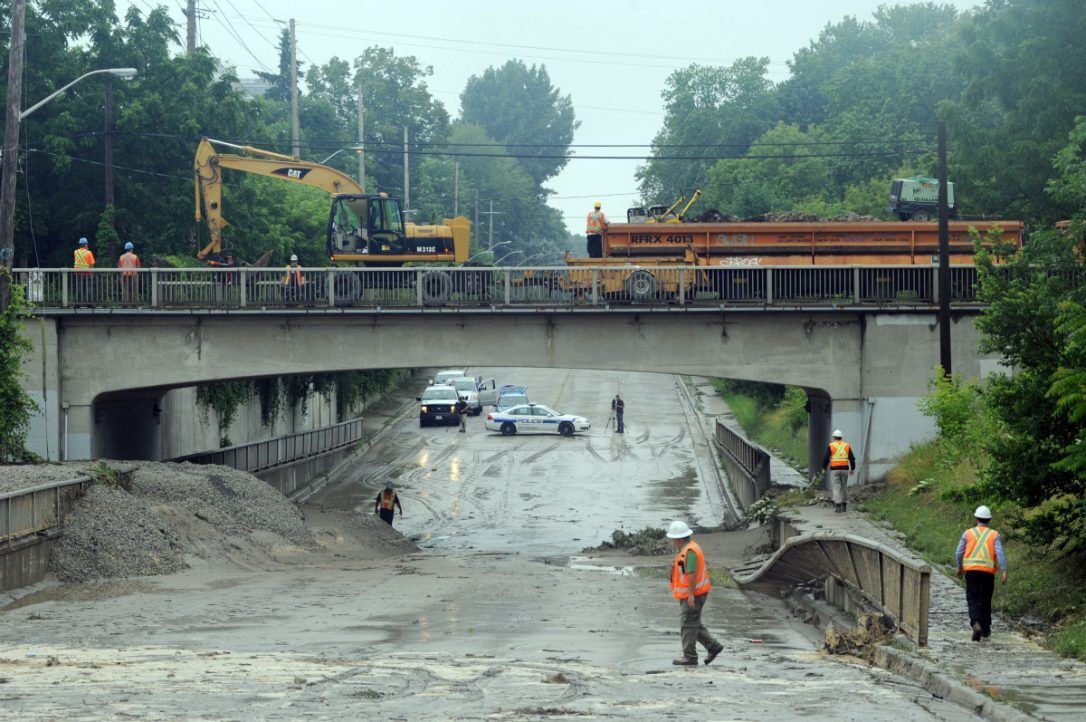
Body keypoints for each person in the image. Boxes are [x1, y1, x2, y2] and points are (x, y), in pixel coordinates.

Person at [667, 520, 724, 666]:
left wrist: (690, 595)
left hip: (693, 594)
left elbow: (691, 574)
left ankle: (690, 656)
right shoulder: (688, 549)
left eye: (673, 538)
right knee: (693, 623)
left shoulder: (689, 552)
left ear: (679, 538)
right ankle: (713, 647)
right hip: (692, 594)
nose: (672, 540)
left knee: (688, 624)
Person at [955, 505, 1007, 641]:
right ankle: (985, 629)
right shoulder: (994, 534)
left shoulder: (968, 533)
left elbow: (959, 552)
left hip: (971, 571)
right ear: (989, 520)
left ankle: (975, 623)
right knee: (985, 599)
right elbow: (1000, 553)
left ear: (976, 519)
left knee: (972, 598)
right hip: (988, 573)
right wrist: (1004, 570)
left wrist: (959, 567)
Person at [821, 429, 856, 513]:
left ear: (834, 437)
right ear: (841, 437)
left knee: (836, 487)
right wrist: (852, 469)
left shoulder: (831, 446)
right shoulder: (846, 445)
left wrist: (824, 468)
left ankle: (838, 505)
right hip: (844, 470)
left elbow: (826, 459)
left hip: (835, 470)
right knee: (844, 487)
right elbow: (852, 458)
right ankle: (844, 505)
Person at [73, 236, 95, 304]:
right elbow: (91, 264)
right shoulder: (89, 253)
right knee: (89, 288)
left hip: (78, 273)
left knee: (79, 288)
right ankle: (89, 303)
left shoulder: (76, 252)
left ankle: (78, 303)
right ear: (86, 245)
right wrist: (92, 274)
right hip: (87, 273)